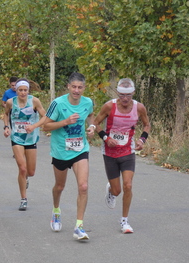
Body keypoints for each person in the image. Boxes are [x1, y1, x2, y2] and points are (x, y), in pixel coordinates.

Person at [94, 78, 150, 234]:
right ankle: (111, 190)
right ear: (118, 93)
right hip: (110, 152)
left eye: (128, 96)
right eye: (122, 95)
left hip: (128, 151)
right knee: (118, 190)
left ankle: (124, 221)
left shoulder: (139, 108)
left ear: (133, 93)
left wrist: (142, 139)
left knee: (128, 185)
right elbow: (96, 122)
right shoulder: (109, 106)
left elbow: (147, 124)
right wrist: (106, 138)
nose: (125, 99)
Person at [43, 72, 95, 240]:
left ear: (84, 88)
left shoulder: (88, 102)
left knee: (84, 186)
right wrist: (65, 122)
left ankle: (79, 226)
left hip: (80, 150)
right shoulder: (58, 104)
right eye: (74, 87)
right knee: (59, 187)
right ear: (68, 87)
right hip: (60, 151)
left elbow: (91, 116)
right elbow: (46, 126)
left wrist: (92, 127)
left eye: (80, 87)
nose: (77, 90)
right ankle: (56, 210)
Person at [3, 78, 46, 211]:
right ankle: (23, 199)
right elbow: (5, 114)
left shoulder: (34, 101)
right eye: (20, 90)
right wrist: (6, 127)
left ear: (28, 90)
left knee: (30, 172)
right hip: (17, 138)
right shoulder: (11, 102)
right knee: (22, 168)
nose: (22, 93)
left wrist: (34, 126)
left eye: (25, 90)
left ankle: (26, 177)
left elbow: (45, 116)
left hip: (31, 138)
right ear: (16, 90)